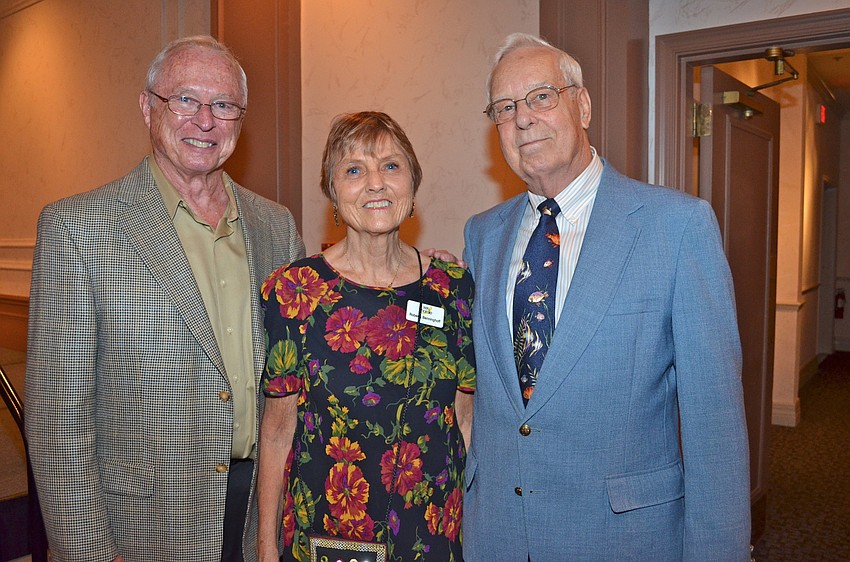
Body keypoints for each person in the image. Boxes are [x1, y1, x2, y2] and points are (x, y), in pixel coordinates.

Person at [461, 32, 751, 561]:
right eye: (504, 108)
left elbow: (716, 430)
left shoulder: (677, 227)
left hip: (622, 541)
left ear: (583, 104)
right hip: (497, 538)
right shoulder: (481, 236)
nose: (522, 118)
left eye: (541, 96)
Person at [25, 35, 305, 562]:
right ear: (147, 107)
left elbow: (302, 363)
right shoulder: (78, 228)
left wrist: (408, 265)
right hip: (143, 523)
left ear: (240, 121)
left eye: (223, 105)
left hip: (260, 513)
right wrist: (87, 551)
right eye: (185, 99)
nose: (205, 121)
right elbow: (58, 422)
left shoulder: (277, 226)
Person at [257, 111, 475, 562]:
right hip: (329, 536)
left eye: (391, 166)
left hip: (434, 534)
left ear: (412, 184)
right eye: (354, 170)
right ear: (332, 192)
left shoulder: (452, 287)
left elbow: (466, 419)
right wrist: (265, 549)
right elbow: (277, 433)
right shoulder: (296, 292)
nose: (376, 183)